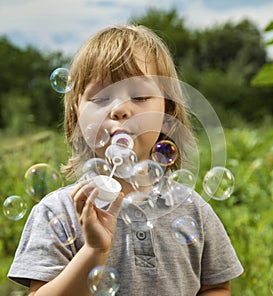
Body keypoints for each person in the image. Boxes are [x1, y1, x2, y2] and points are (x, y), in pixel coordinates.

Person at [8, 24, 243, 295]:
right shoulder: (59, 212)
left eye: (140, 96)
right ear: (77, 112)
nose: (119, 109)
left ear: (167, 108)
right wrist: (95, 250)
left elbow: (216, 287)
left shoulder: (193, 210)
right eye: (101, 97)